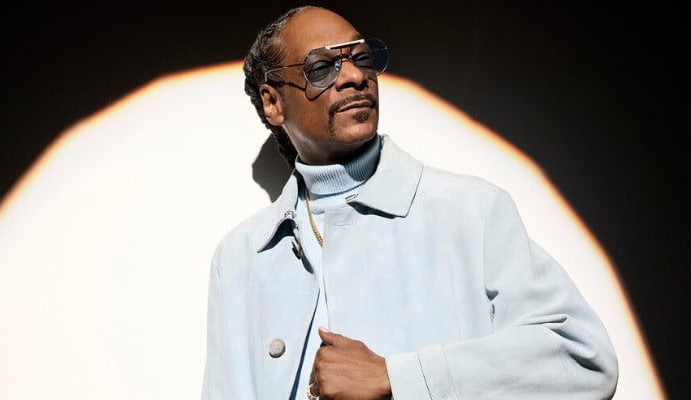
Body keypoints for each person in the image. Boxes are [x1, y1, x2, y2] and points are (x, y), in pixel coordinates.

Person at [201, 5, 618, 400]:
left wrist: (396, 378)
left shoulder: (469, 211)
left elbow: (582, 359)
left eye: (362, 58)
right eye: (322, 67)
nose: (354, 77)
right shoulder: (241, 256)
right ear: (273, 102)